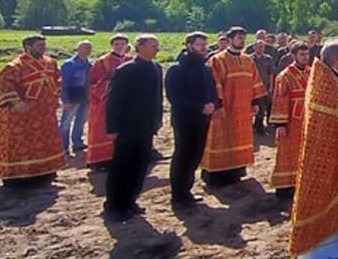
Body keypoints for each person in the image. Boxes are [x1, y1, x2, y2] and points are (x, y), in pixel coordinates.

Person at [289, 41, 338, 259]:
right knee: (325, 195)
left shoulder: (326, 79)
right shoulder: (325, 84)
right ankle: (324, 252)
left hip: (334, 150)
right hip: (325, 154)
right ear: (335, 59)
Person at [0, 35, 66, 187]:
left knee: (45, 142)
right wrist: (17, 103)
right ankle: (17, 177)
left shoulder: (50, 62)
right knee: (20, 144)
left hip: (44, 113)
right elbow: (5, 87)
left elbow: (58, 81)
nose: (43, 48)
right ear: (28, 47)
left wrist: (55, 98)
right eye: (39, 46)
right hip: (22, 114)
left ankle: (46, 172)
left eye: (44, 45)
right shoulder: (14, 66)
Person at [103, 35, 163, 223]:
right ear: (140, 47)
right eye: (153, 45)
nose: (157, 49)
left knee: (140, 165)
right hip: (127, 127)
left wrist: (156, 121)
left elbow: (157, 98)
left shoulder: (155, 68)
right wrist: (112, 127)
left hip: (146, 126)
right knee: (122, 166)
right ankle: (114, 205)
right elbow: (113, 101)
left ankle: (130, 200)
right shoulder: (126, 70)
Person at [201, 26, 267, 187]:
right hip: (225, 109)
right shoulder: (218, 60)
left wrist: (255, 102)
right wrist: (219, 105)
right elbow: (213, 85)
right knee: (221, 140)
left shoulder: (247, 60)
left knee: (239, 139)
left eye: (244, 38)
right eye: (239, 38)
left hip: (243, 110)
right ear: (230, 39)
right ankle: (216, 176)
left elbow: (255, 82)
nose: (242, 41)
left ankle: (236, 172)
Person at [165, 32, 219, 209]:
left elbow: (212, 89)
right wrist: (200, 107)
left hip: (203, 119)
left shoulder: (206, 68)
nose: (204, 48)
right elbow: (175, 97)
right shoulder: (177, 69)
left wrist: (213, 103)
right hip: (185, 120)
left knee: (196, 155)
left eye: (205, 44)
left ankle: (186, 191)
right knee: (183, 156)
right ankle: (178, 195)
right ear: (189, 46)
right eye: (199, 45)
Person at [270, 42, 310, 200]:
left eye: (307, 54)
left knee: (304, 153)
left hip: (307, 121)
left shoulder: (310, 72)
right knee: (287, 153)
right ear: (293, 56)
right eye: (302, 55)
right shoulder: (285, 76)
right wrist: (280, 124)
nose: (305, 58)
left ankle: (301, 184)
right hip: (291, 122)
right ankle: (285, 188)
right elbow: (280, 99)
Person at [87, 34, 132, 170]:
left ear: (126, 46)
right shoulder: (103, 61)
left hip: (127, 102)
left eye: (122, 44)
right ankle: (100, 161)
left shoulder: (130, 60)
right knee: (103, 129)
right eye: (117, 44)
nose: (119, 47)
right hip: (106, 102)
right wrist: (113, 85)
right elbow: (93, 83)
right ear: (112, 45)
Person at [59, 40, 93, 156]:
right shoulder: (69, 64)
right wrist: (66, 100)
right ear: (78, 49)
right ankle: (63, 146)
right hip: (73, 96)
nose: (87, 50)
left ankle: (77, 142)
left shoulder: (90, 64)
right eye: (84, 48)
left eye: (89, 48)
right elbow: (63, 83)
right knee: (66, 123)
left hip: (86, 97)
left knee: (81, 121)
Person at [251, 40, 275, 135]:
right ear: (254, 47)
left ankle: (259, 127)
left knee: (262, 108)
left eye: (262, 46)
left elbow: (271, 74)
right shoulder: (249, 58)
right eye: (258, 46)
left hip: (264, 87)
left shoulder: (268, 59)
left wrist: (271, 86)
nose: (260, 48)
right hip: (251, 87)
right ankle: (254, 125)